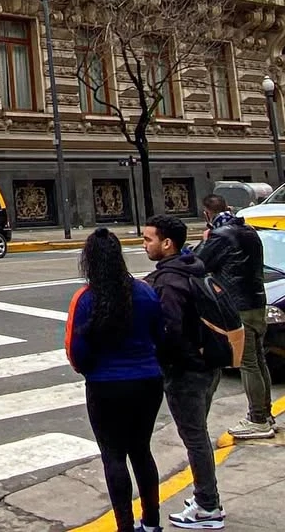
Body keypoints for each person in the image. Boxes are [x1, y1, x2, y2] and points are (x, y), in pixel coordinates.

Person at [66, 228, 165, 532]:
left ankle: (125, 525)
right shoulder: (145, 291)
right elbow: (159, 336)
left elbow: (75, 351)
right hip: (148, 382)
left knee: (113, 456)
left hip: (104, 385)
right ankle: (151, 522)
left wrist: (91, 371)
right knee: (141, 450)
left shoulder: (85, 299)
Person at [144, 214, 225, 530]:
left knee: (195, 439)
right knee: (198, 435)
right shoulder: (193, 267)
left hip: (186, 373)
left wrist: (164, 362)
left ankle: (208, 507)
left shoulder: (169, 282)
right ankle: (207, 497)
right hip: (208, 367)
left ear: (167, 243)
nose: (145, 244)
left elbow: (170, 332)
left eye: (149, 239)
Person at [195, 194, 274, 440]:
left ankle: (258, 419)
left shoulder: (220, 236)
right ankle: (265, 413)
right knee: (259, 360)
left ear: (207, 214)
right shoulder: (249, 231)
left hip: (238, 306)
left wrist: (203, 241)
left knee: (248, 363)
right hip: (258, 301)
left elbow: (198, 263)